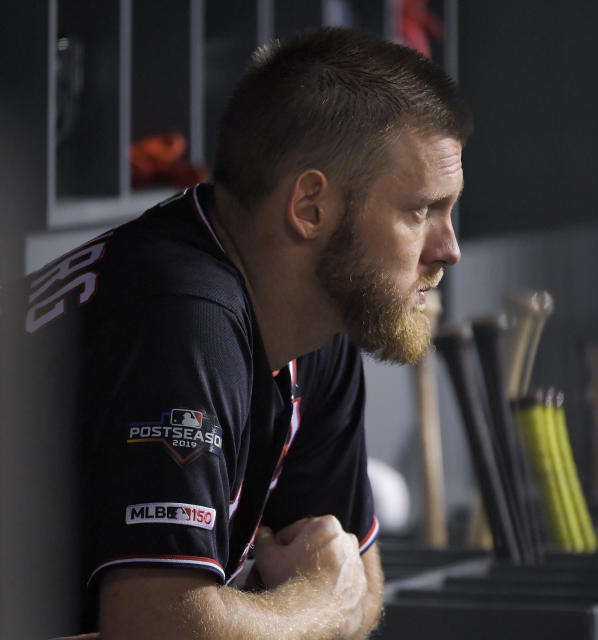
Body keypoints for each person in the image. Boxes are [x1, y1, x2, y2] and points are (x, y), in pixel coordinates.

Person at [0, 26, 471, 638]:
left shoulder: (314, 325)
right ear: (309, 207)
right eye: (420, 211)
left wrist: (313, 602)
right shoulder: (183, 313)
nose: (450, 248)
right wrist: (319, 603)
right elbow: (159, 624)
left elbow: (359, 579)